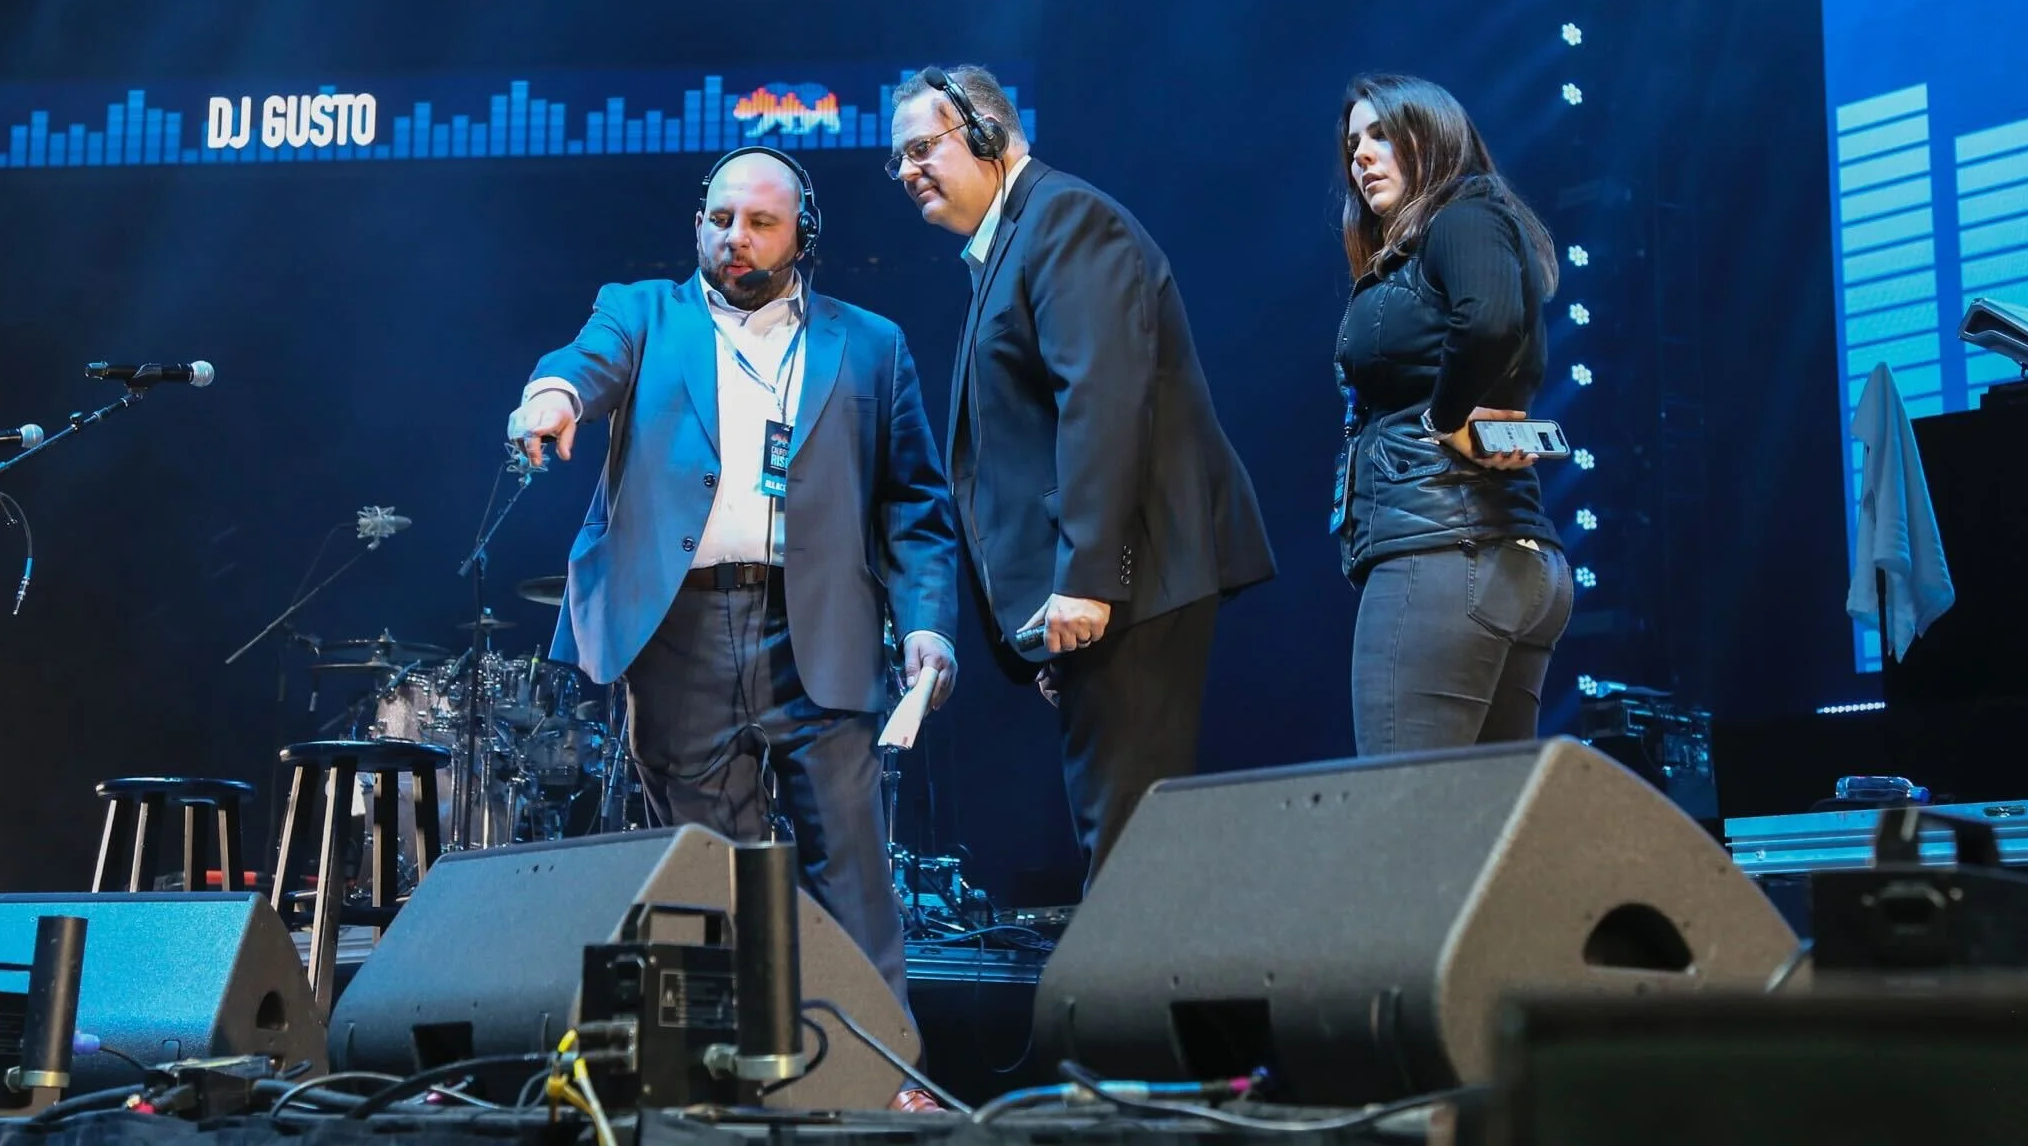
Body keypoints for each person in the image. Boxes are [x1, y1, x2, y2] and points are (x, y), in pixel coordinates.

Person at [505, 146, 958, 1006]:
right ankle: (728, 1064)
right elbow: (584, 363)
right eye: (720, 219)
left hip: (818, 627)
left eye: (759, 222)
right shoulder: (642, 313)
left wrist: (927, 623)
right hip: (680, 633)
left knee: (854, 882)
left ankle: (877, 1065)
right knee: (708, 889)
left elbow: (915, 504)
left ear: (803, 235)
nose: (735, 238)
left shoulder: (871, 344)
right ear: (698, 225)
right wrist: (553, 397)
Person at [887, 64, 1275, 881]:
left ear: (989, 135)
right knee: (1124, 834)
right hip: (1110, 594)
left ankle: (1140, 974)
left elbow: (1103, 404)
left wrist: (1089, 582)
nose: (908, 171)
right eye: (900, 159)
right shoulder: (1015, 240)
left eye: (922, 148)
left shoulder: (1064, 220)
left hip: (1131, 583)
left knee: (1129, 847)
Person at [1332, 72, 1574, 755]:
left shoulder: (1465, 214)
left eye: (1382, 134)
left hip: (1444, 554)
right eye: (1353, 144)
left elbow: (1488, 321)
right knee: (1483, 813)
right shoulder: (1447, 237)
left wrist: (1444, 418)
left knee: (1404, 805)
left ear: (1433, 137)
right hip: (1501, 558)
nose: (1361, 155)